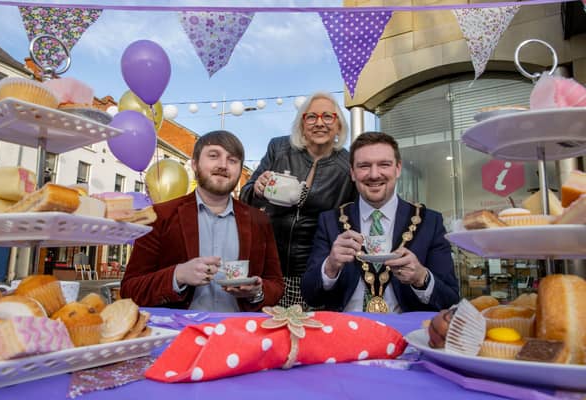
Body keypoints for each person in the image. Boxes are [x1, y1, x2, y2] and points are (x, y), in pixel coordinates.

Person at [121, 130, 284, 311]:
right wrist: (177, 276)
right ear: (195, 164)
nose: (223, 165)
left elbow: (276, 286)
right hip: (180, 334)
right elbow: (130, 289)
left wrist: (257, 292)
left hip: (238, 334)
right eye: (213, 156)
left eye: (232, 160)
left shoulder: (259, 221)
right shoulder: (159, 216)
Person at [301, 131, 459, 312]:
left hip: (404, 334)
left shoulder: (429, 222)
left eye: (384, 164)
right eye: (364, 166)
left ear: (398, 169)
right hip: (348, 332)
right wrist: (330, 266)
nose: (374, 175)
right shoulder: (330, 221)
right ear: (352, 172)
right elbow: (310, 296)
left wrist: (421, 277)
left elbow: (451, 300)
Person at [239, 92, 356, 308]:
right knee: (271, 334)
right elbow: (244, 196)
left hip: (317, 272)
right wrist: (256, 189)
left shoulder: (347, 166)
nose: (319, 123)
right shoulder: (279, 148)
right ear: (302, 125)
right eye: (311, 117)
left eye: (328, 117)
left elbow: (355, 216)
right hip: (271, 269)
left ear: (338, 126)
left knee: (310, 337)